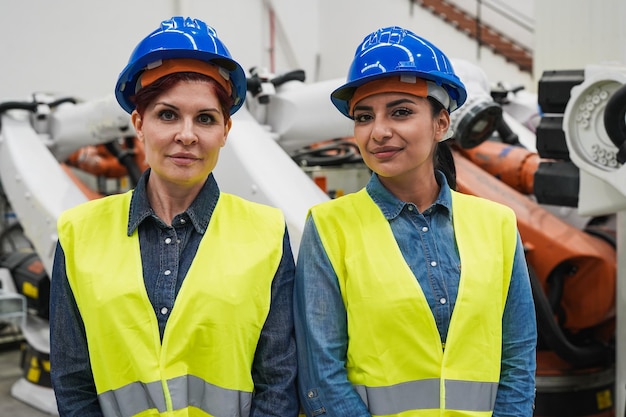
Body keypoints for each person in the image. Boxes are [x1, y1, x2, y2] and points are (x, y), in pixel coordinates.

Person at [50, 16, 298, 417]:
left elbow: (278, 381)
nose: (187, 135)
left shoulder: (266, 233)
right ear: (139, 124)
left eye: (205, 118)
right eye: (167, 115)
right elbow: (73, 381)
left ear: (225, 129)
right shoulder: (79, 234)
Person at [294, 26, 537, 416]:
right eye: (364, 116)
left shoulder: (498, 224)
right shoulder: (329, 227)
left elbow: (518, 363)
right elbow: (322, 376)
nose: (379, 132)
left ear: (442, 124)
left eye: (401, 112)